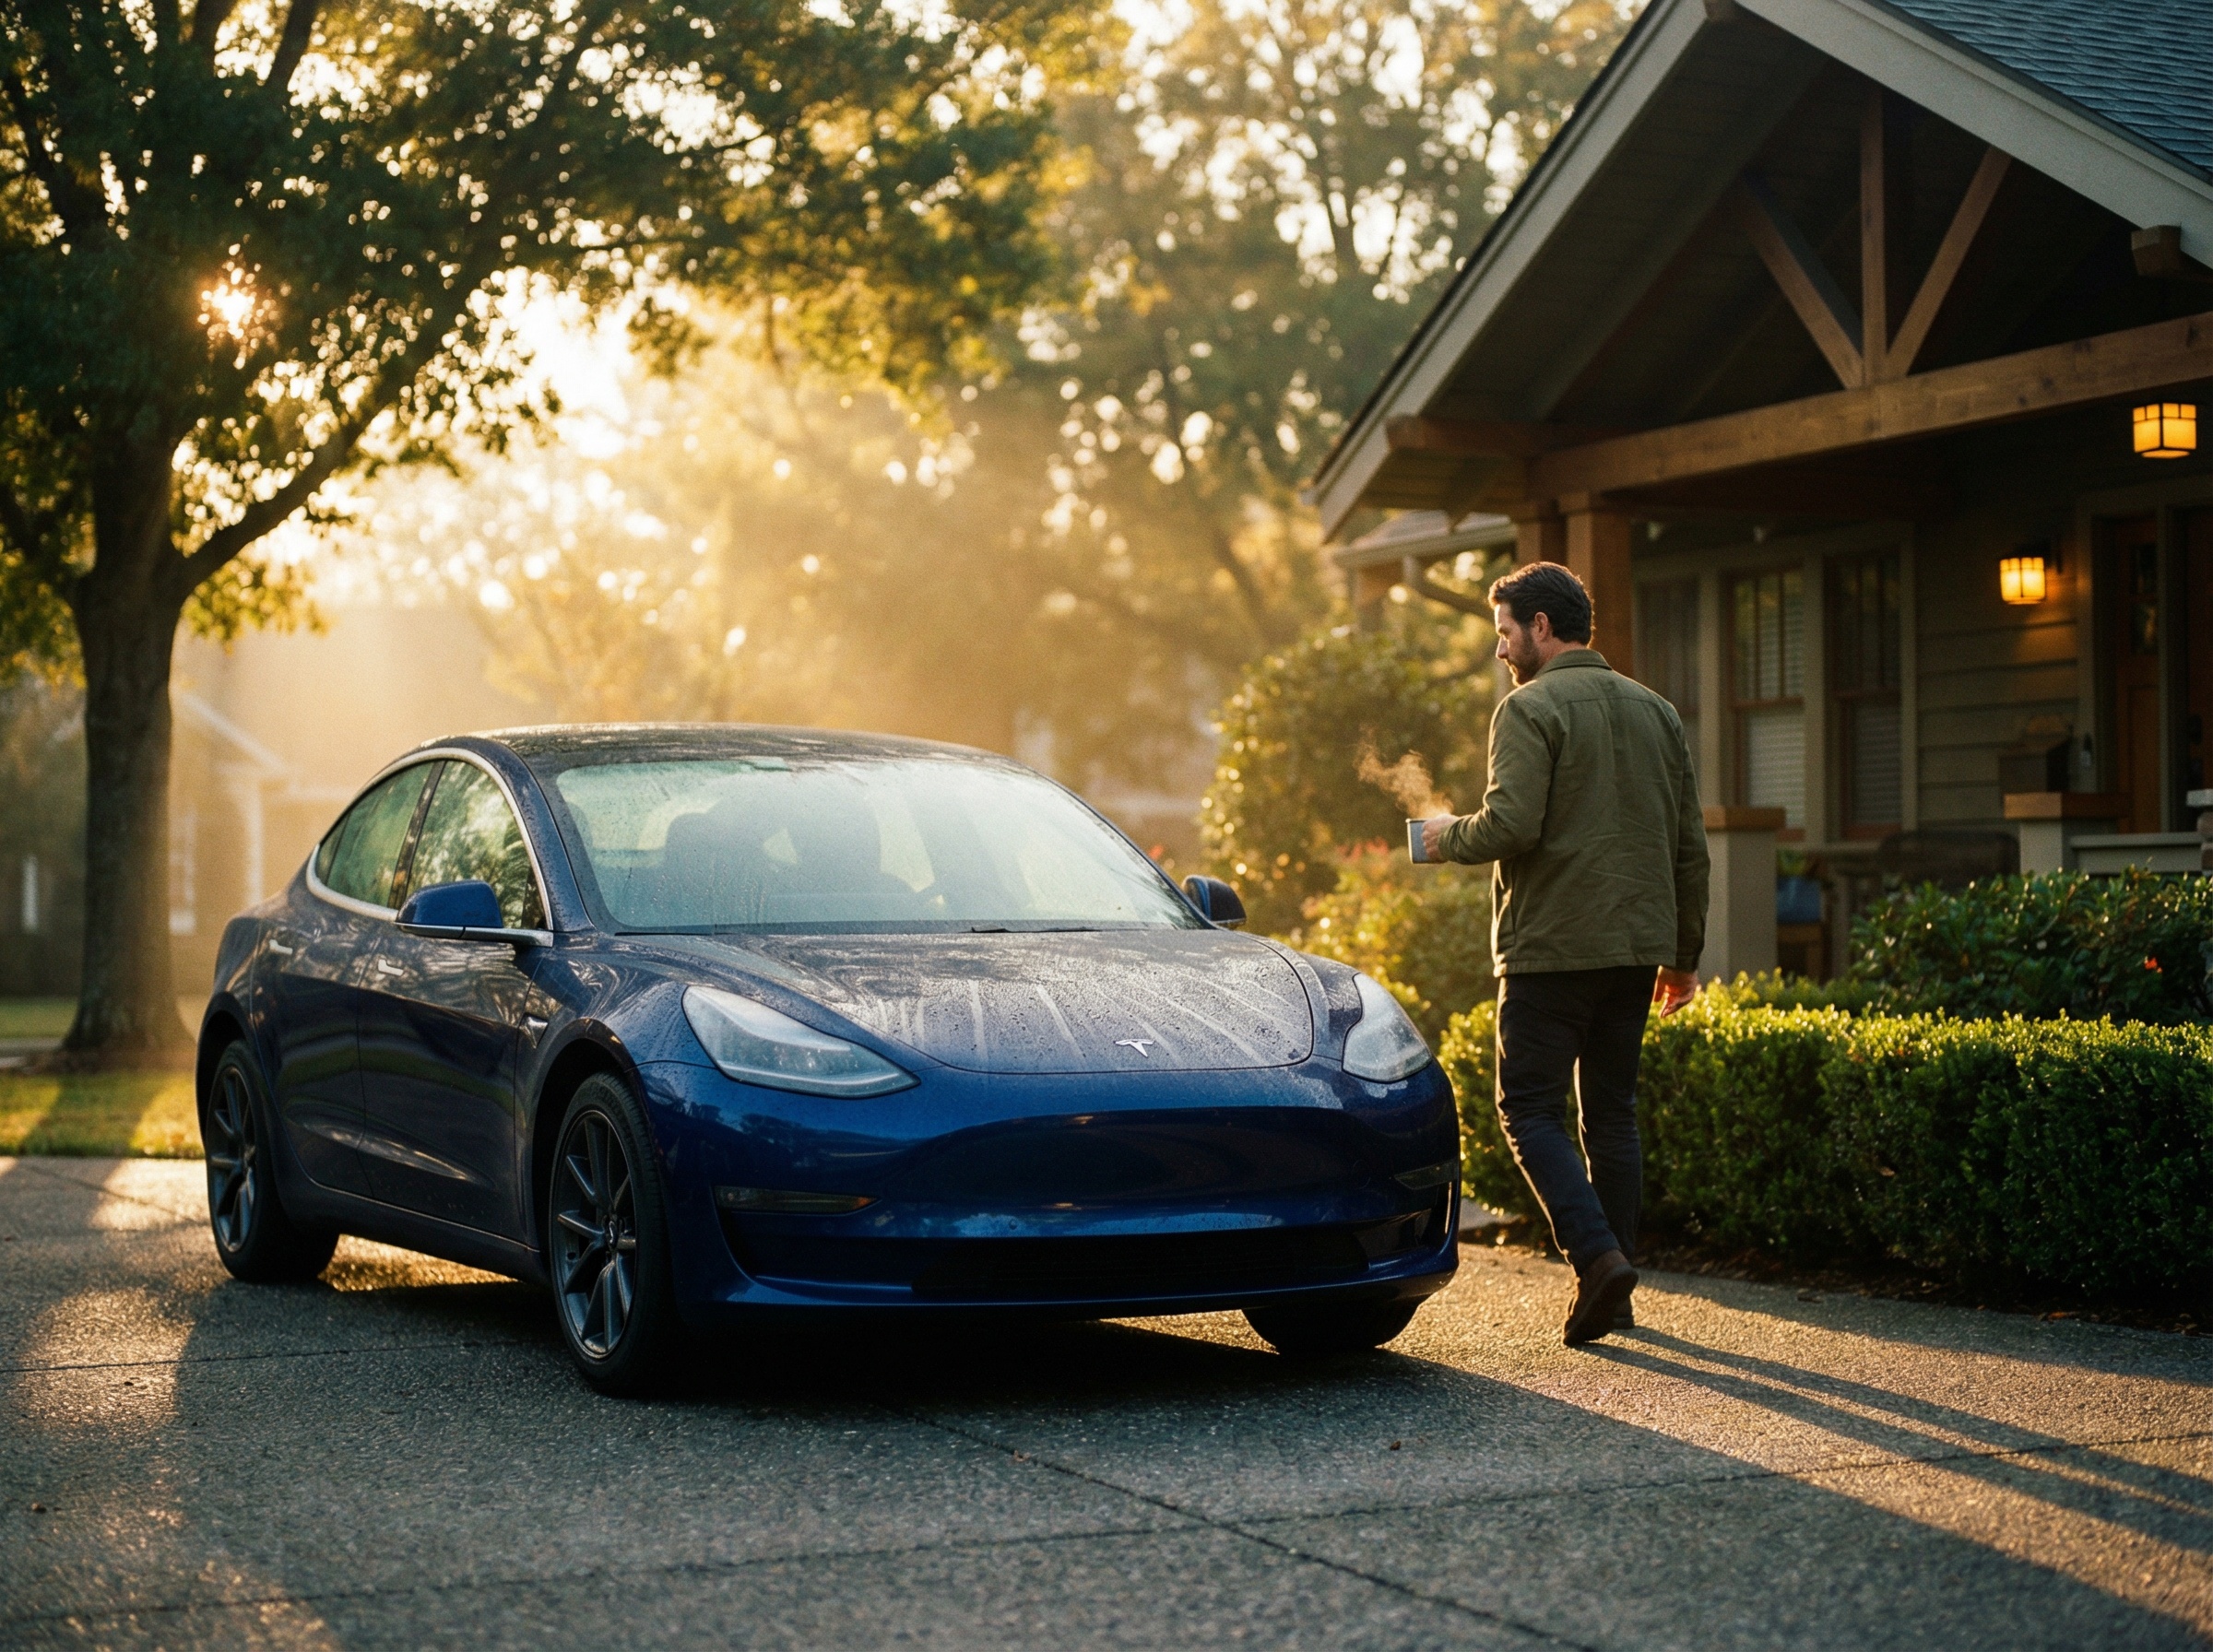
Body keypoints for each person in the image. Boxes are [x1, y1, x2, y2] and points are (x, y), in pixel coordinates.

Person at [1420, 560, 1708, 1346]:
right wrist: (1682, 958)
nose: (1501, 652)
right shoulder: (1659, 712)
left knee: (1529, 1109)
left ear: (1541, 628)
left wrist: (1447, 839)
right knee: (1611, 1112)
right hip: (1636, 950)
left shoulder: (1528, 709)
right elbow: (1690, 846)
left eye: (1506, 633)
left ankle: (1596, 1258)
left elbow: (1511, 825)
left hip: (1551, 949)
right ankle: (1612, 1287)